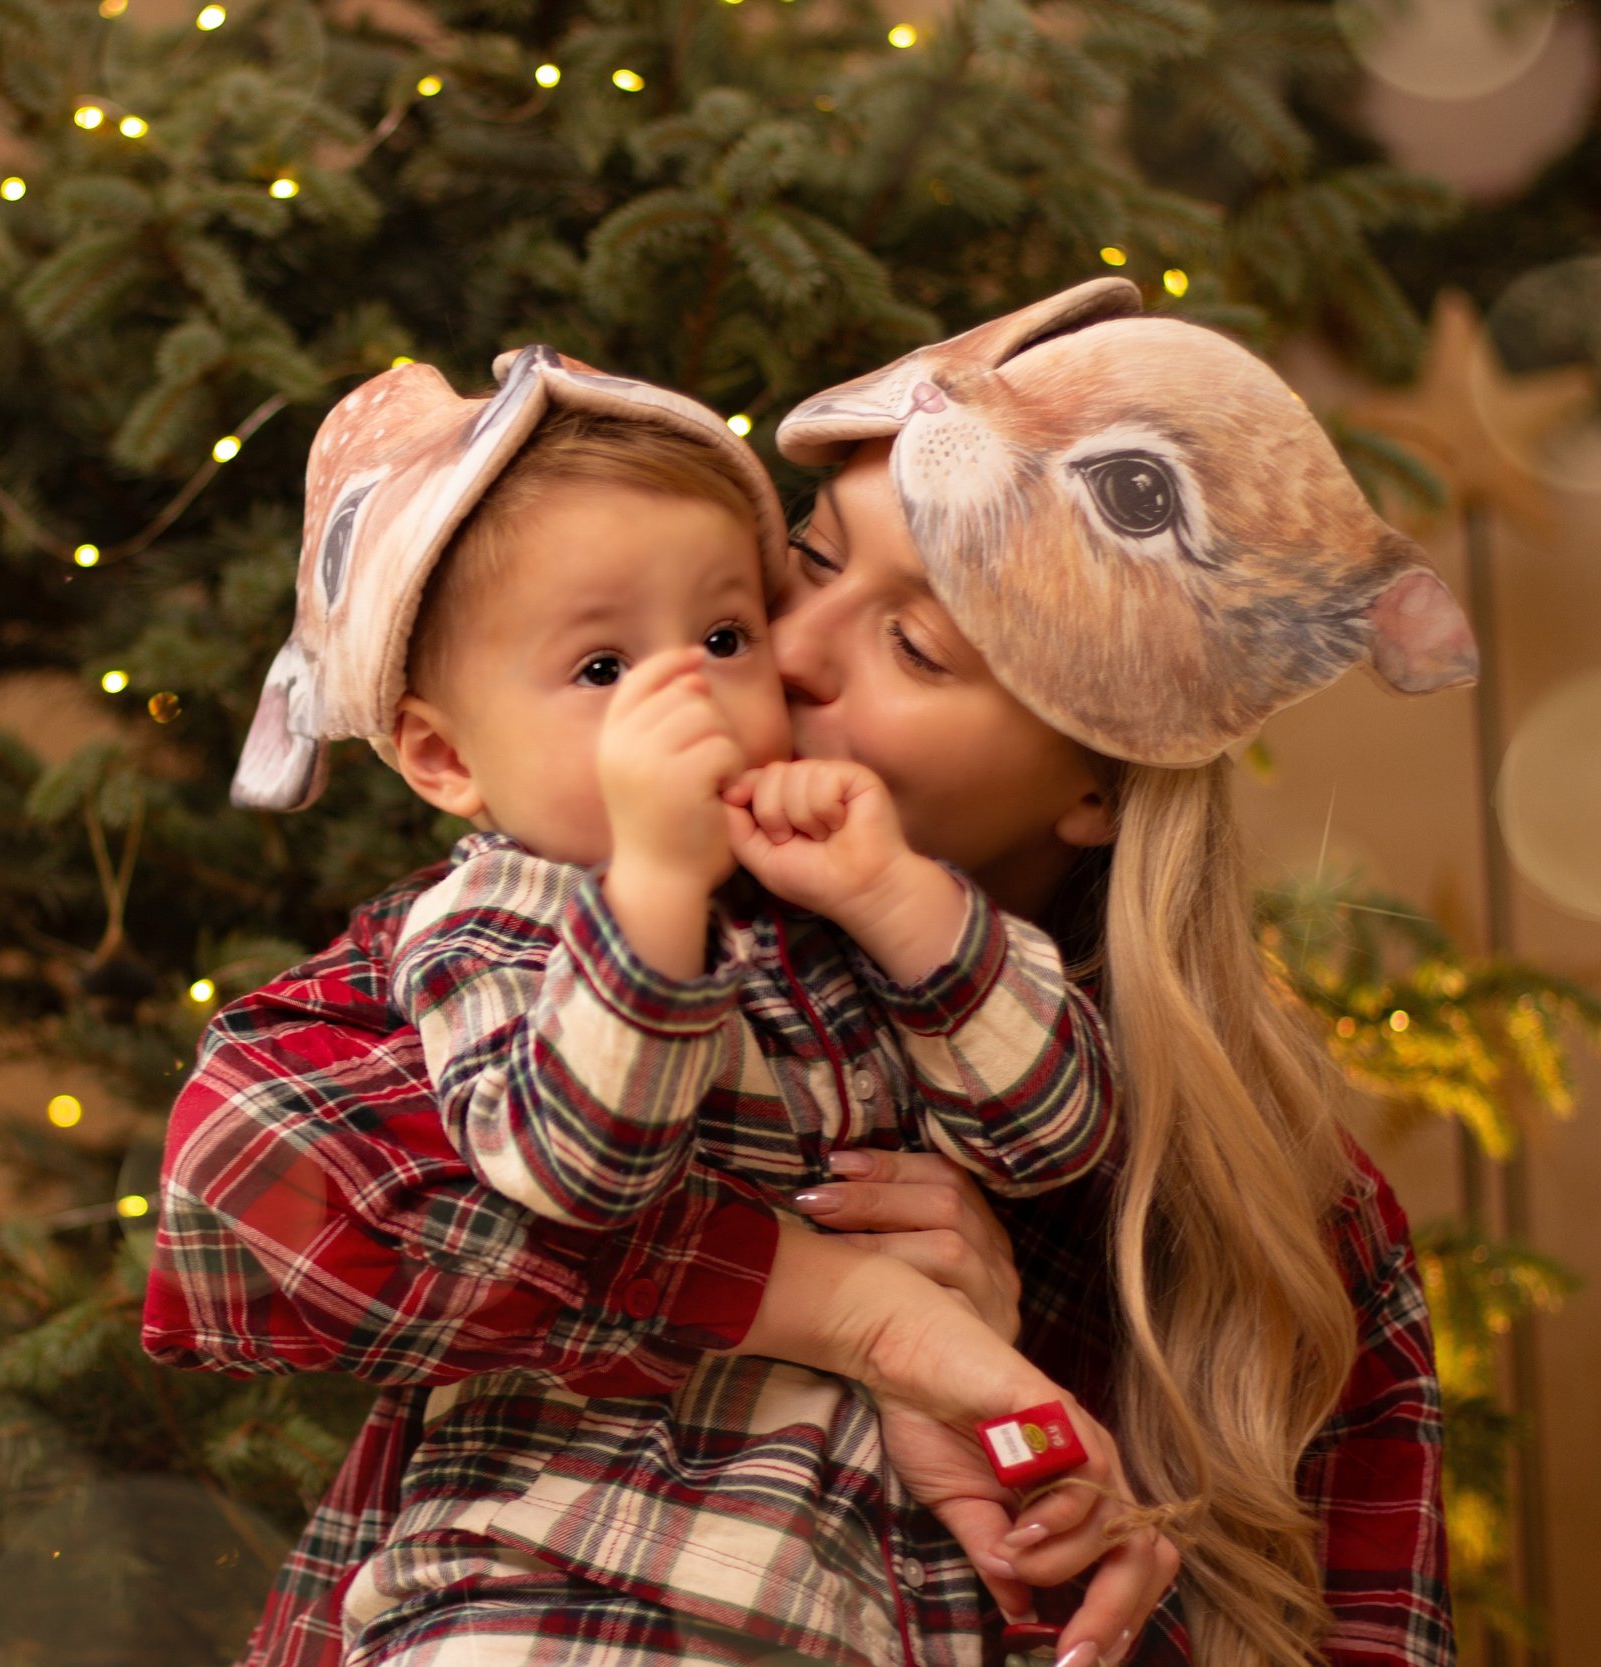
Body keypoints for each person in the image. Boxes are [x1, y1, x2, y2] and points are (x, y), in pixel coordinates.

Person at [146, 278, 1463, 1667]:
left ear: (1095, 784)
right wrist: (854, 1310)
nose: (786, 656)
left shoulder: (1294, 1227)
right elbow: (247, 1194)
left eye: (916, 644)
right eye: (813, 563)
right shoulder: (531, 919)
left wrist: (1026, 1453)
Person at [218, 341, 1139, 1667]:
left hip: (847, 1612)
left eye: (721, 636)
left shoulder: (825, 900)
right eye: (602, 668)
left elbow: (1053, 1133)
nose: (692, 692)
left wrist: (896, 899)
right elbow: (580, 1166)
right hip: (553, 1602)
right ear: (442, 755)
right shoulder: (497, 919)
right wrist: (651, 885)